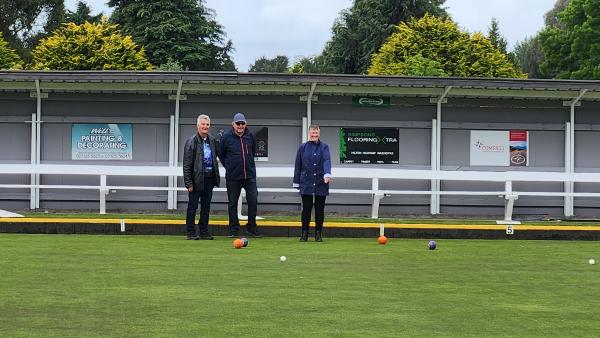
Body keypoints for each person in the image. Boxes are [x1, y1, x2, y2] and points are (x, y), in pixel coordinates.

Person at [219, 112, 262, 238]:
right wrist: (230, 167)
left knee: (253, 201)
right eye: (238, 123)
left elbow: (252, 152)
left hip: (249, 176)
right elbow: (221, 155)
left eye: (242, 123)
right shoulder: (226, 137)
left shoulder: (250, 136)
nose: (240, 126)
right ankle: (233, 229)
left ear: (245, 124)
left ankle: (251, 227)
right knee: (232, 203)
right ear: (233, 124)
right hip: (233, 177)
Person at [182, 114, 220, 240]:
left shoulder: (212, 140)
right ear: (198, 126)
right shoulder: (191, 141)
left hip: (209, 179)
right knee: (193, 206)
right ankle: (191, 232)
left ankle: (203, 231)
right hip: (195, 180)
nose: (205, 127)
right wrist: (189, 183)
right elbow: (186, 165)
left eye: (207, 124)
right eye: (203, 124)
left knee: (206, 206)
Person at [293, 125, 332, 242]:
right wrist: (296, 181)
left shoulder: (325, 147)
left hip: (321, 181)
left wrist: (327, 174)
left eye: (316, 133)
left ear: (319, 133)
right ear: (309, 134)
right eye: (312, 133)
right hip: (306, 182)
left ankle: (318, 234)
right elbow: (298, 165)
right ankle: (304, 233)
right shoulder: (302, 147)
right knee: (306, 209)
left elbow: (327, 160)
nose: (314, 135)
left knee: (320, 209)